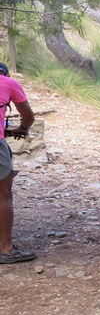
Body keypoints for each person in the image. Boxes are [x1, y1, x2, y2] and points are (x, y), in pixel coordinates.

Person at [0, 61, 36, 263]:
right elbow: (28, 117)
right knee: (3, 195)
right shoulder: (8, 83)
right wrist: (21, 129)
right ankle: (6, 248)